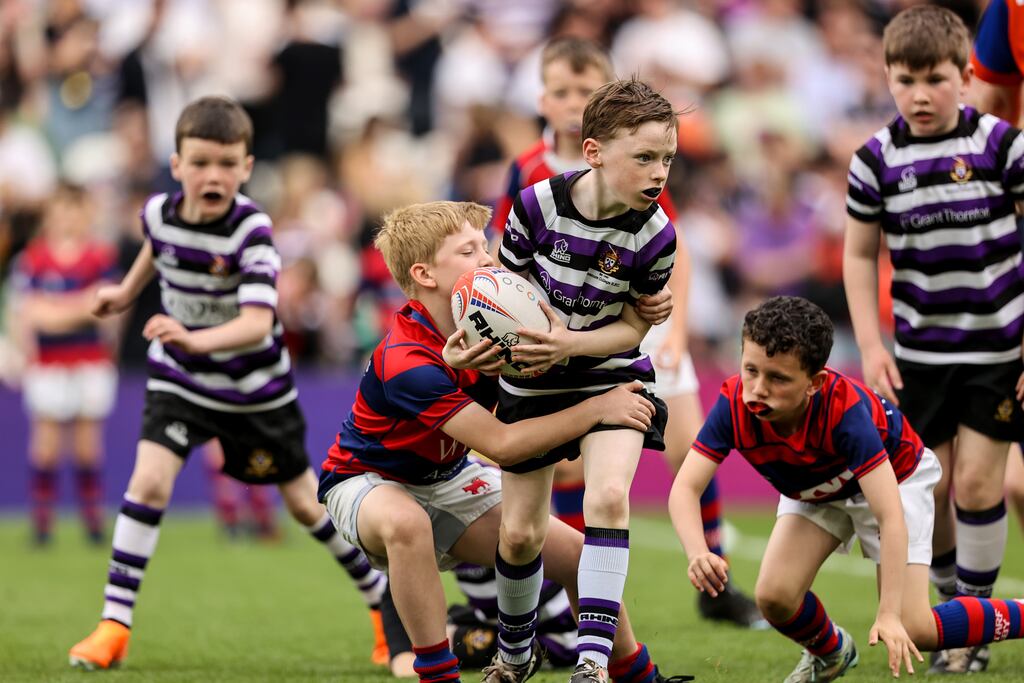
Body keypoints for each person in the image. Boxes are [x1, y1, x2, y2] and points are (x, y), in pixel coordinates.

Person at [66, 96, 388, 671]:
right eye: (200, 162)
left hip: (254, 392)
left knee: (305, 506)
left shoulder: (253, 232)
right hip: (181, 382)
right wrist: (125, 292)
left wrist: (193, 339)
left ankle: (378, 600)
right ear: (176, 164)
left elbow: (257, 323)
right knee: (149, 482)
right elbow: (155, 247)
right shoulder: (160, 212)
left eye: (225, 163)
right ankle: (113, 625)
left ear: (245, 168)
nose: (211, 174)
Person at [317, 200, 692, 683]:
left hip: (447, 477)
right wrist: (599, 409)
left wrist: (644, 308)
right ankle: (438, 674)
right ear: (424, 273)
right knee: (407, 523)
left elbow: (577, 327)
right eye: (469, 250)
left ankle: (636, 675)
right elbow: (504, 444)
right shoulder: (407, 358)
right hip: (365, 481)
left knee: (578, 558)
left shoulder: (499, 320)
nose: (489, 257)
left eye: (486, 243)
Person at [490, 36, 762, 629]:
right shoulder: (533, 176)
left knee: (690, 446)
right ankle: (571, 596)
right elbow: (503, 263)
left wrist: (676, 329)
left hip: (638, 328)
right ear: (543, 99)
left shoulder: (643, 169)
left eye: (583, 90)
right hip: (564, 336)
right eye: (560, 90)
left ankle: (714, 579)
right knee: (561, 474)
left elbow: (673, 250)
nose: (571, 101)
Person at [669, 295, 1024, 683]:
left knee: (915, 627)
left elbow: (889, 517)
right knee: (774, 597)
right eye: (750, 369)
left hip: (897, 477)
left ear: (815, 383)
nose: (757, 388)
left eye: (778, 378)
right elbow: (685, 489)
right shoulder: (734, 404)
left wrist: (888, 614)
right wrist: (697, 551)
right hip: (821, 489)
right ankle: (832, 651)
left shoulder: (845, 415)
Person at [473, 78, 677, 683]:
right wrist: (499, 346)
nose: (658, 172)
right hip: (532, 383)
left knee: (608, 497)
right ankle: (514, 656)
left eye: (666, 158)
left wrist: (571, 342)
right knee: (518, 535)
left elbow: (634, 329)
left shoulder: (656, 234)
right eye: (643, 157)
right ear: (593, 152)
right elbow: (501, 293)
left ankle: (591, 662)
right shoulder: (534, 206)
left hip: (610, 378)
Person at [842, 5, 1024, 674]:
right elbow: (860, 258)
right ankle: (951, 609)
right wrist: (869, 343)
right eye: (904, 80)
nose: (919, 95)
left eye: (935, 80)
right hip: (918, 356)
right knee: (931, 483)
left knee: (978, 484)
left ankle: (974, 628)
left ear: (967, 78)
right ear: (887, 79)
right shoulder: (874, 160)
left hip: (998, 352)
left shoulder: (1003, 146)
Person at [11, 182, 118, 546]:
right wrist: (80, 307)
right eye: (60, 209)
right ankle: (42, 524)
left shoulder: (100, 257)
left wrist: (57, 311)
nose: (67, 217)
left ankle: (92, 521)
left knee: (88, 447)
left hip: (89, 361)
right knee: (46, 446)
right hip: (49, 363)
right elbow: (32, 315)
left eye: (74, 208)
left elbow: (106, 313)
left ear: (86, 212)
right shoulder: (34, 258)